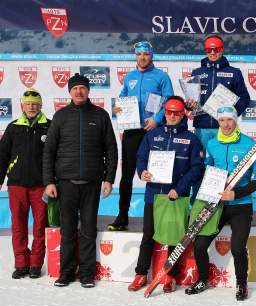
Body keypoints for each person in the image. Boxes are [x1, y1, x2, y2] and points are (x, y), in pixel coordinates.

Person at [43, 74, 118, 288]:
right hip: (65, 183)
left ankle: (86, 273)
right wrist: (49, 181)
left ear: (88, 91)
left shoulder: (101, 115)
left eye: (82, 88)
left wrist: (109, 179)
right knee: (67, 231)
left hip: (92, 183)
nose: (79, 91)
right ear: (69, 92)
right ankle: (66, 272)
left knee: (88, 230)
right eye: (75, 88)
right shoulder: (60, 116)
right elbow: (49, 151)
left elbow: (111, 150)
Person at [185, 106, 256, 301]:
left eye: (230, 120)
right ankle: (203, 279)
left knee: (237, 248)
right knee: (200, 244)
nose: (226, 124)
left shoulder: (249, 144)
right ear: (218, 122)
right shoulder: (212, 144)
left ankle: (241, 284)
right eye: (222, 120)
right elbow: (207, 170)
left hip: (241, 205)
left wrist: (237, 193)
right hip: (216, 204)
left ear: (235, 121)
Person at [128, 96, 204, 292]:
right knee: (148, 236)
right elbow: (141, 157)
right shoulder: (152, 135)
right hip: (153, 195)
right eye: (169, 112)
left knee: (174, 237)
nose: (171, 116)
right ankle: (141, 273)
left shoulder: (191, 139)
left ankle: (169, 276)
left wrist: (178, 189)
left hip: (175, 196)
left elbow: (196, 169)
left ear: (182, 114)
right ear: (164, 112)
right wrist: (142, 171)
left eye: (176, 112)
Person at [108, 40, 174, 231]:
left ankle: (160, 217)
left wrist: (157, 119)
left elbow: (169, 101)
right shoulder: (130, 77)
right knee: (127, 174)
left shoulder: (161, 77)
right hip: (132, 130)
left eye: (145, 54)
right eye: (138, 54)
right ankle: (122, 217)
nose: (142, 57)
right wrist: (117, 108)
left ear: (151, 55)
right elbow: (122, 97)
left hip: (153, 129)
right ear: (135, 56)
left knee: (157, 173)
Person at [0, 88, 50, 279]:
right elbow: (3, 156)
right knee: (18, 225)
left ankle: (36, 264)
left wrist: (52, 181)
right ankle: (21, 263)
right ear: (22, 105)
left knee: (40, 226)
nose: (31, 106)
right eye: (28, 103)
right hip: (17, 185)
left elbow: (54, 156)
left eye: (35, 103)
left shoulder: (49, 126)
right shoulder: (13, 127)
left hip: (41, 186)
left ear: (40, 105)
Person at [186, 35, 250, 149]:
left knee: (222, 162)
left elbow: (244, 98)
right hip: (202, 126)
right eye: (208, 50)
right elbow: (191, 102)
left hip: (224, 127)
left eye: (216, 49)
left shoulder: (234, 73)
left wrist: (232, 114)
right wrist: (189, 105)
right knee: (203, 162)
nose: (212, 53)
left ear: (222, 49)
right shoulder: (196, 72)